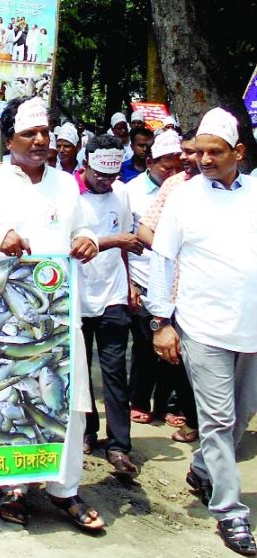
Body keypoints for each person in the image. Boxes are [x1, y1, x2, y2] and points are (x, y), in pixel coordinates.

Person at [0, 97, 104, 533]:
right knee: (11, 397)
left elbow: (80, 229)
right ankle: (14, 488)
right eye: (30, 134)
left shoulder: (65, 184)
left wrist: (88, 241)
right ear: (9, 140)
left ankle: (66, 491)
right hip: (10, 315)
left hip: (62, 314)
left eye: (45, 132)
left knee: (68, 400)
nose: (41, 141)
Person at [147, 107, 257, 556]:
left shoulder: (255, 193)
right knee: (217, 420)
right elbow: (162, 259)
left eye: (216, 152)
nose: (205, 160)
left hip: (251, 328)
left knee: (242, 418)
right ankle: (230, 514)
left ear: (239, 153)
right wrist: (162, 321)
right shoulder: (185, 197)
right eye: (199, 152)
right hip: (202, 326)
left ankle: (203, 469)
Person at [78, 134, 143, 476]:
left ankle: (119, 445)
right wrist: (112, 240)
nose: (105, 181)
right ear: (85, 165)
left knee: (114, 371)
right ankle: (87, 430)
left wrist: (130, 282)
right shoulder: (70, 196)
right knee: (80, 368)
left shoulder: (122, 194)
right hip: (77, 292)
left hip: (113, 293)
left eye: (111, 175)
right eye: (99, 174)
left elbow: (126, 248)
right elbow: (71, 245)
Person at [135, 128, 200, 444]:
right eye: (185, 152)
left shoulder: (240, 188)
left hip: (219, 297)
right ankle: (196, 420)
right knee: (178, 360)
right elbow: (146, 230)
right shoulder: (175, 187)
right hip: (177, 291)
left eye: (193, 152)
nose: (187, 159)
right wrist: (171, 251)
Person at [123, 130, 183, 427]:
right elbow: (127, 237)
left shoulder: (186, 190)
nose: (172, 173)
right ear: (150, 162)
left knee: (174, 349)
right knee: (146, 346)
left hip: (177, 282)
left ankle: (167, 403)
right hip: (143, 277)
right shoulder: (130, 192)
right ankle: (139, 399)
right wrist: (130, 283)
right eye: (165, 167)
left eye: (177, 167)